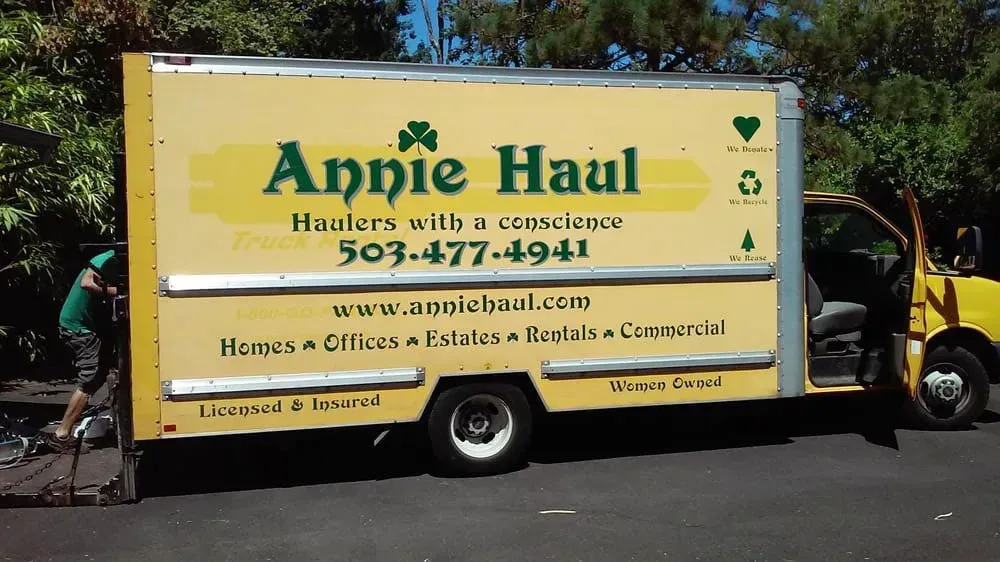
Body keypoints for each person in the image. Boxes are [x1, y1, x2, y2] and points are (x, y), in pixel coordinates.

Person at [43, 249, 119, 453]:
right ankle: (61, 434)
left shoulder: (107, 256)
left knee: (100, 373)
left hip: (81, 324)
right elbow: (86, 282)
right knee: (90, 378)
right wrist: (120, 292)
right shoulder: (109, 259)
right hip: (79, 327)